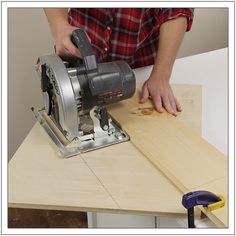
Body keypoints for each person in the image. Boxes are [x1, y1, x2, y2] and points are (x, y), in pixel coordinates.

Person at [44, 8, 194, 116]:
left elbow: (176, 9)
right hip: (76, 56)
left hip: (137, 71)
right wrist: (60, 27)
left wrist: (161, 75)